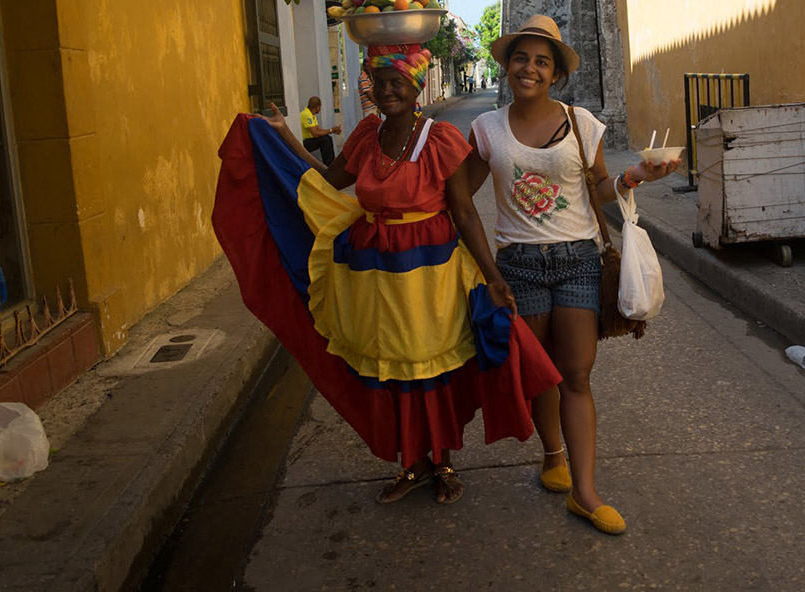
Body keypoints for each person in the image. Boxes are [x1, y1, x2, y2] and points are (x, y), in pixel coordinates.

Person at [213, 42, 561, 505]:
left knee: (431, 368)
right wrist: (283, 137)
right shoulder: (365, 136)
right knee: (395, 370)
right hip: (376, 274)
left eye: (397, 82)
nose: (388, 91)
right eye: (380, 83)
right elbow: (324, 180)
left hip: (432, 275)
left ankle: (444, 462)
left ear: (416, 87)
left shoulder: (438, 139)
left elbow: (464, 212)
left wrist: (492, 276)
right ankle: (413, 464)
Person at [467, 14, 680, 534]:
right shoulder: (487, 129)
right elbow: (461, 198)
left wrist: (636, 176)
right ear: (508, 65)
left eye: (542, 61)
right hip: (519, 265)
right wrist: (487, 268)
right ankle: (552, 455)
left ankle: (585, 492)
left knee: (577, 374)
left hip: (579, 261)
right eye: (521, 58)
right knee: (542, 376)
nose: (530, 69)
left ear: (556, 73)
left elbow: (601, 188)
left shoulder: (583, 124)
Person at [299, 96, 341, 165]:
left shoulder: (311, 115)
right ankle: (328, 164)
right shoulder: (306, 115)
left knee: (327, 137)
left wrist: (332, 131)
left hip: (309, 140)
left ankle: (332, 162)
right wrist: (331, 130)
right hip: (304, 142)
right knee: (325, 140)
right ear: (318, 107)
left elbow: (318, 129)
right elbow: (315, 134)